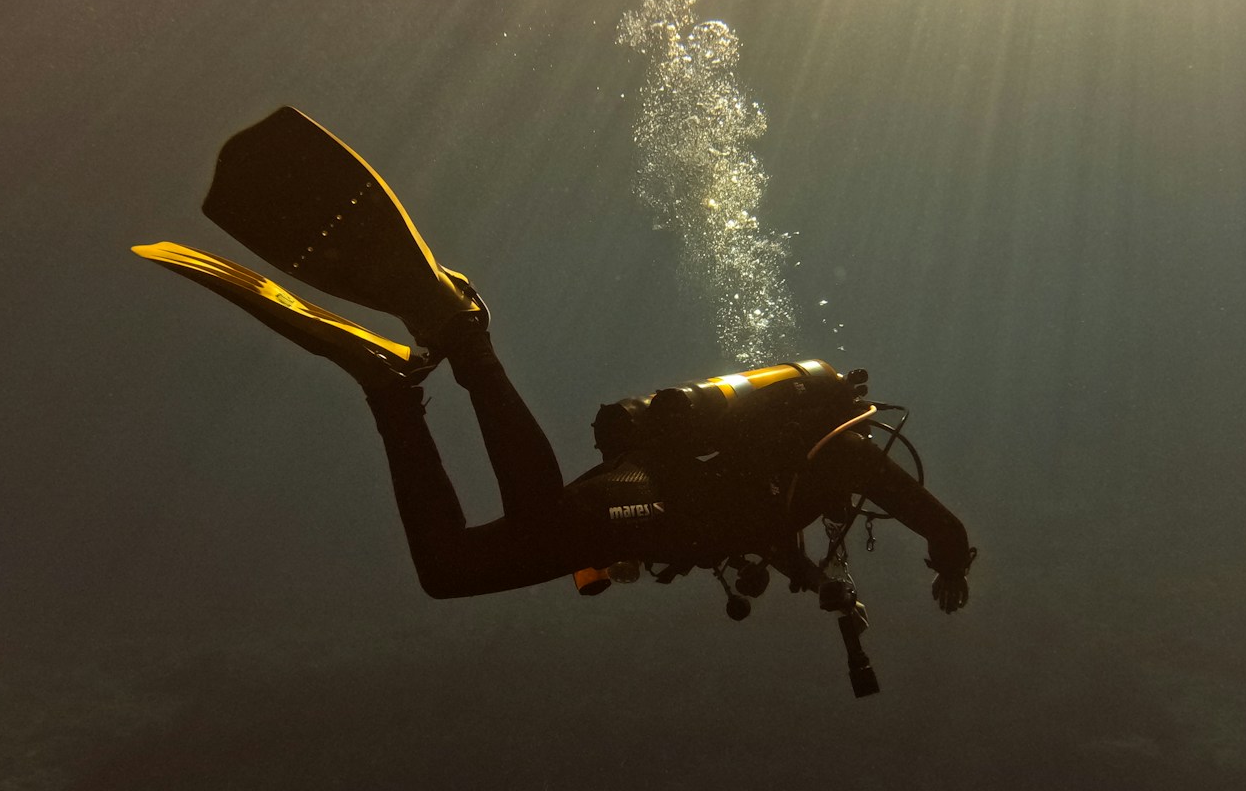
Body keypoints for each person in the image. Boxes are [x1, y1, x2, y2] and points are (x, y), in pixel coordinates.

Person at [135, 108, 974, 689]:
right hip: (643, 499)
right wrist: (951, 563)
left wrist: (816, 580)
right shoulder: (839, 454)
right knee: (534, 521)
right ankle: (465, 340)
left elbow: (759, 525)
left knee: (449, 571)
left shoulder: (800, 469)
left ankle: (394, 392)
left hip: (640, 496)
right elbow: (930, 517)